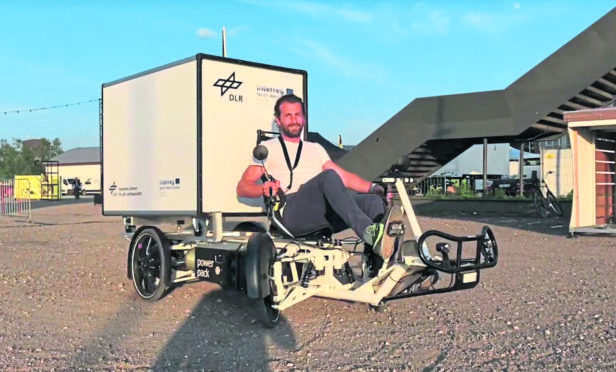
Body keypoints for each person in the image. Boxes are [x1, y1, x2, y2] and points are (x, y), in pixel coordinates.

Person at [236, 94, 392, 260]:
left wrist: (374, 188)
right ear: (278, 121)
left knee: (373, 202)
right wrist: (263, 189)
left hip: (318, 212)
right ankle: (368, 232)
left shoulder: (315, 148)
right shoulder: (267, 148)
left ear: (303, 118)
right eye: (288, 115)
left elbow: (344, 177)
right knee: (328, 176)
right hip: (290, 211)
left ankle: (377, 263)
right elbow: (243, 187)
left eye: (297, 115)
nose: (294, 120)